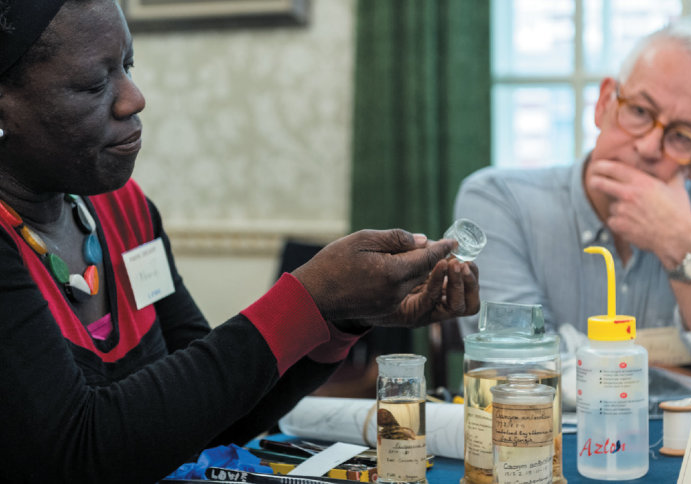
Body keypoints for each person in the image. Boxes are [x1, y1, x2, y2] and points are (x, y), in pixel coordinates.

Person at [0, 1, 480, 482]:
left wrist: (341, 315)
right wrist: (306, 299)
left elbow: (213, 415)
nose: (134, 99)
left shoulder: (125, 211)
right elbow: (78, 450)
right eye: (94, 84)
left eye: (128, 66)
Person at [454, 21, 691, 337]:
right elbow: (516, 358)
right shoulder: (498, 200)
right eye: (639, 111)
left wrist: (685, 248)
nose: (649, 147)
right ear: (603, 104)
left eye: (681, 136)